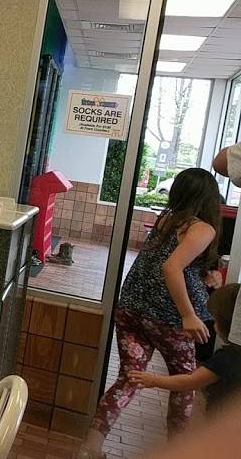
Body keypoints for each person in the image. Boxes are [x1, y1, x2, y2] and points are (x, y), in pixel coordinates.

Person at [76, 168, 221, 459]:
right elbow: (171, 267)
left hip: (131, 310)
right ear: (210, 198)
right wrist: (188, 315)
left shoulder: (167, 220)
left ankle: (89, 448)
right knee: (184, 385)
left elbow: (173, 265)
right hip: (168, 320)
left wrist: (206, 276)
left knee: (129, 378)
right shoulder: (202, 228)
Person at [129, 283, 240, 416]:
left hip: (220, 420)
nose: (214, 325)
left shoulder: (226, 358)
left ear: (227, 323)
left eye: (215, 320)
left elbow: (191, 381)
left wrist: (153, 380)